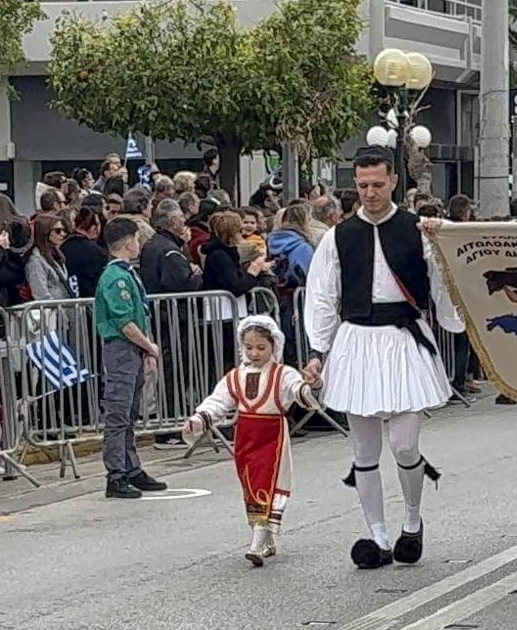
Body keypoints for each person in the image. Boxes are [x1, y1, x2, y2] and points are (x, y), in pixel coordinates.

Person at [301, 146, 464, 570]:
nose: (370, 192)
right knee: (364, 449)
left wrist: (444, 240)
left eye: (377, 184)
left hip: (404, 338)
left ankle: (412, 520)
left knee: (405, 444)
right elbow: (322, 296)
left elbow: (447, 277)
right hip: (357, 341)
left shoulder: (419, 230)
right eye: (363, 185)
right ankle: (377, 534)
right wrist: (318, 351)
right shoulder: (338, 237)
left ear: (393, 181)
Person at [183, 315, 317, 566]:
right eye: (249, 347)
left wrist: (310, 386)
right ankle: (266, 540)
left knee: (269, 485)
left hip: (273, 437)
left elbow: (298, 391)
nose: (254, 353)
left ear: (274, 346)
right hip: (246, 439)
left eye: (261, 347)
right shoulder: (236, 376)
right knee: (252, 487)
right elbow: (218, 402)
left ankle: (256, 544)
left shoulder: (283, 374)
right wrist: (199, 419)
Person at [93, 217, 167, 500]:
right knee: (119, 412)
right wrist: (149, 345)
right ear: (127, 242)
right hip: (121, 349)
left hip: (131, 350)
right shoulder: (116, 278)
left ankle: (130, 466)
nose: (139, 244)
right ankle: (116, 473)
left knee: (130, 412)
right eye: (136, 239)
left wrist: (145, 350)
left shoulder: (127, 274)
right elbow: (124, 322)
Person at [25, 213, 76, 302]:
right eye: (57, 230)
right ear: (45, 232)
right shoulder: (35, 260)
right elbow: (41, 294)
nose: (63, 234)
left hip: (65, 307)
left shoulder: (58, 255)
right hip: (52, 308)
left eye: (64, 230)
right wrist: (57, 308)